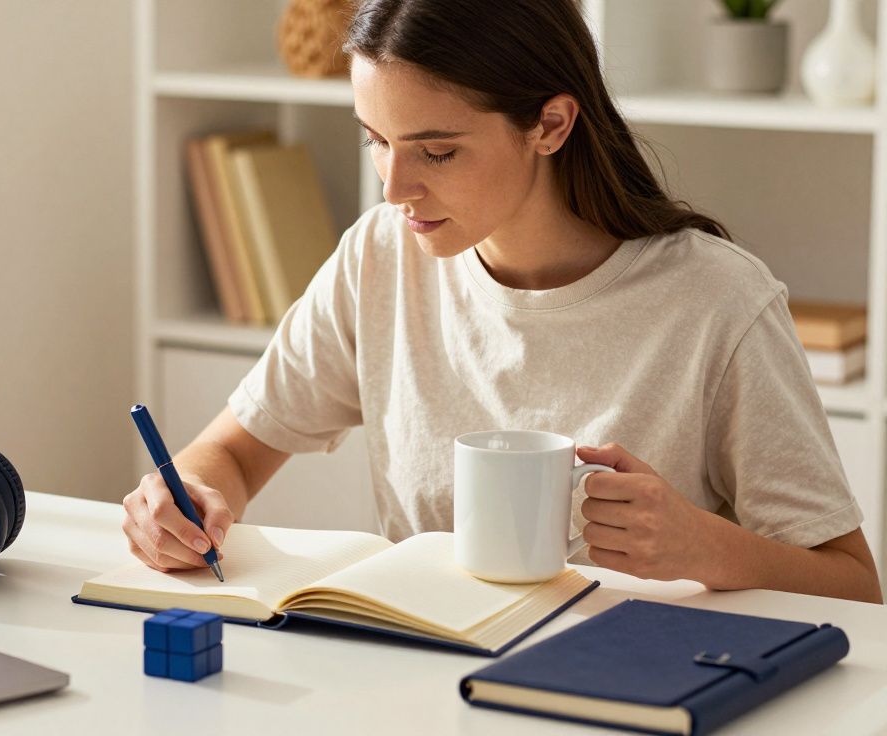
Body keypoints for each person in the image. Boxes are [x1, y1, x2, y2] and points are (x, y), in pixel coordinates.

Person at [122, 0, 883, 603]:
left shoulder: (718, 302)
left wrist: (707, 549)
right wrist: (183, 499)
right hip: (421, 683)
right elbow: (231, 453)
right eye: (376, 140)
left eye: (437, 151)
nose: (394, 188)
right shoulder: (379, 257)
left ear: (550, 124)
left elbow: (856, 587)